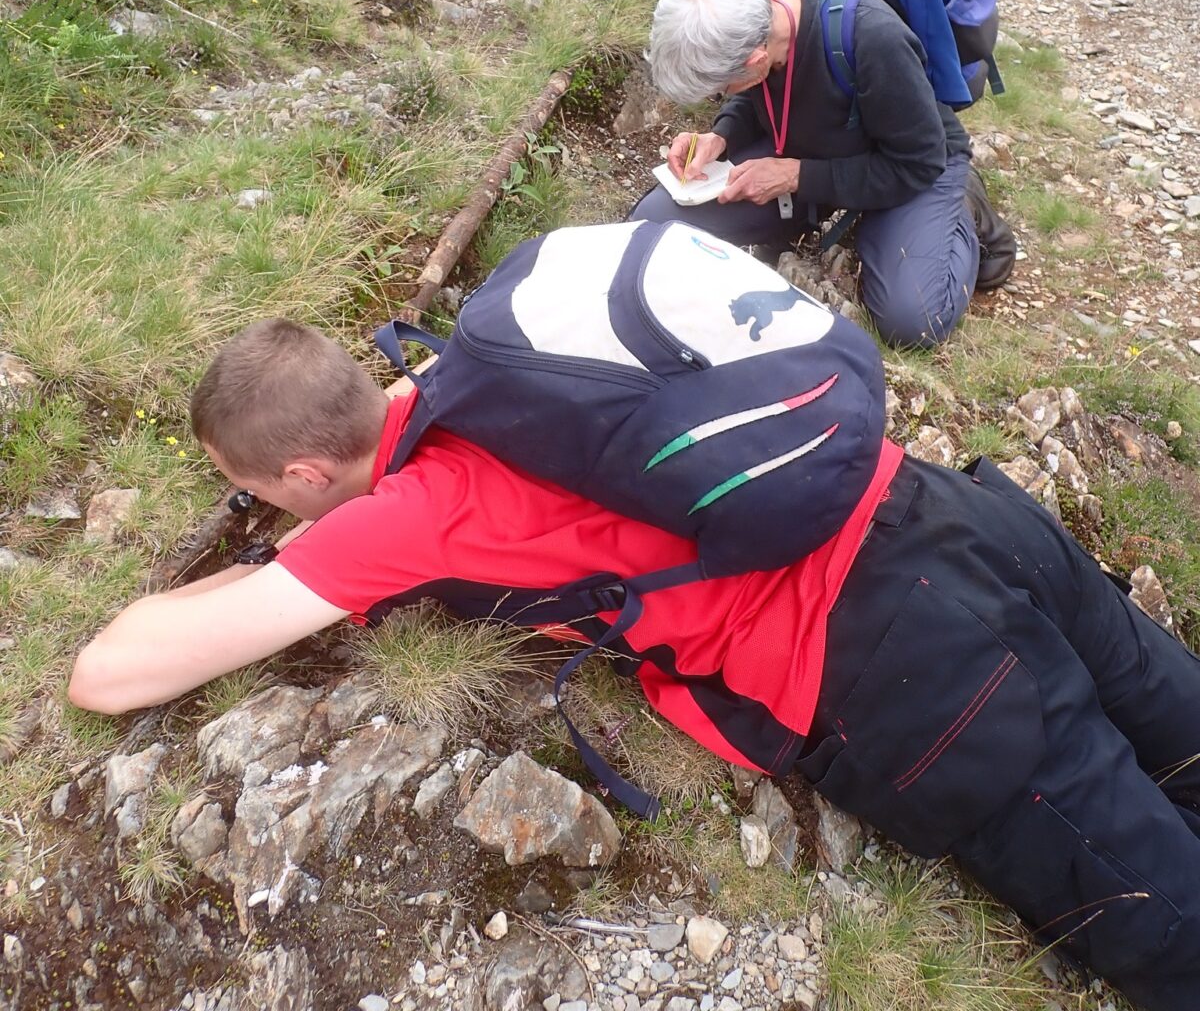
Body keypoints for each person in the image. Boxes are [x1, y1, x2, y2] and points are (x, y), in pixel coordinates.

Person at [70, 317, 1200, 1011]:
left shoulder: (406, 520)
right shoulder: (485, 363)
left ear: (309, 471)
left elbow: (109, 674)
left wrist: (276, 561)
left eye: (257, 492)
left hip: (897, 659)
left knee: (1171, 923)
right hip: (944, 505)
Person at [630, 0, 1015, 348]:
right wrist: (721, 136)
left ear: (756, 59)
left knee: (912, 321)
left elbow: (918, 161)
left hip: (909, 162)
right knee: (652, 224)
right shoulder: (746, 3)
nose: (721, 95)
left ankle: (963, 206)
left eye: (719, 90)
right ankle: (812, 208)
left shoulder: (874, 38)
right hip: (809, 149)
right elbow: (752, 95)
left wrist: (796, 176)